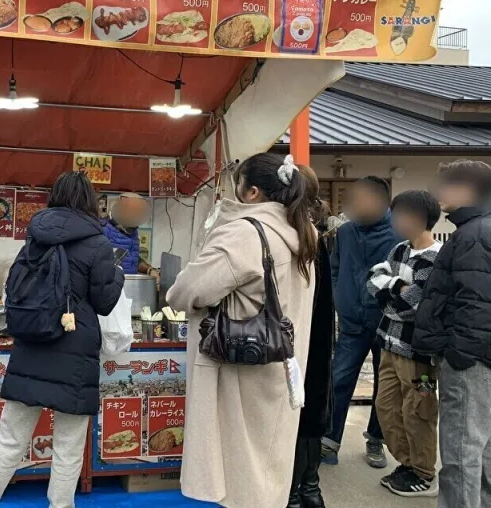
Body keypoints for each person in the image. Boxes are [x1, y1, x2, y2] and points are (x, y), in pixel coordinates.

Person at [167, 153, 317, 508]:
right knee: (267, 469)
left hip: (240, 370)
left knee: (241, 474)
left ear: (251, 192)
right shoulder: (301, 232)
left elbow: (184, 292)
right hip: (279, 367)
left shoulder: (244, 234)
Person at [0, 171, 124, 508]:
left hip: (32, 346)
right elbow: (104, 302)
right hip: (75, 354)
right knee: (67, 447)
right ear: (89, 201)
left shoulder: (35, 237)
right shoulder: (97, 244)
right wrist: (117, 274)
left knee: (9, 440)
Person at [412, 160, 491, 508]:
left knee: (461, 451)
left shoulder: (474, 233)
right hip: (480, 357)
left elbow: (478, 302)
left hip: (470, 361)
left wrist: (458, 353)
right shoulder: (478, 229)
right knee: (482, 450)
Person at [322, 176, 402, 468]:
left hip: (387, 323)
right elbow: (335, 268)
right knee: (339, 378)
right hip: (351, 322)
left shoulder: (399, 233)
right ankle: (329, 441)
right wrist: (338, 297)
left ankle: (375, 440)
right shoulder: (344, 233)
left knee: (385, 386)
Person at [367, 190, 442, 498]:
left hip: (416, 352)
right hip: (387, 342)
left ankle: (424, 473)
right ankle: (407, 464)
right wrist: (395, 287)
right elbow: (373, 281)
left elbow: (414, 307)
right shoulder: (399, 250)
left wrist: (390, 288)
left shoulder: (436, 258)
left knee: (418, 411)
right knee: (386, 408)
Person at [287, 165, 335, 508]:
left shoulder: (286, 234)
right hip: (317, 338)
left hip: (290, 340)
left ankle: (293, 492)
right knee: (311, 406)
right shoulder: (315, 233)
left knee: (292, 412)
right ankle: (309, 488)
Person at [101, 193, 158, 277]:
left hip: (129, 284)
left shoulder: (133, 232)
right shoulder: (103, 229)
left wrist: (150, 269)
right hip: (111, 286)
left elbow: (133, 259)